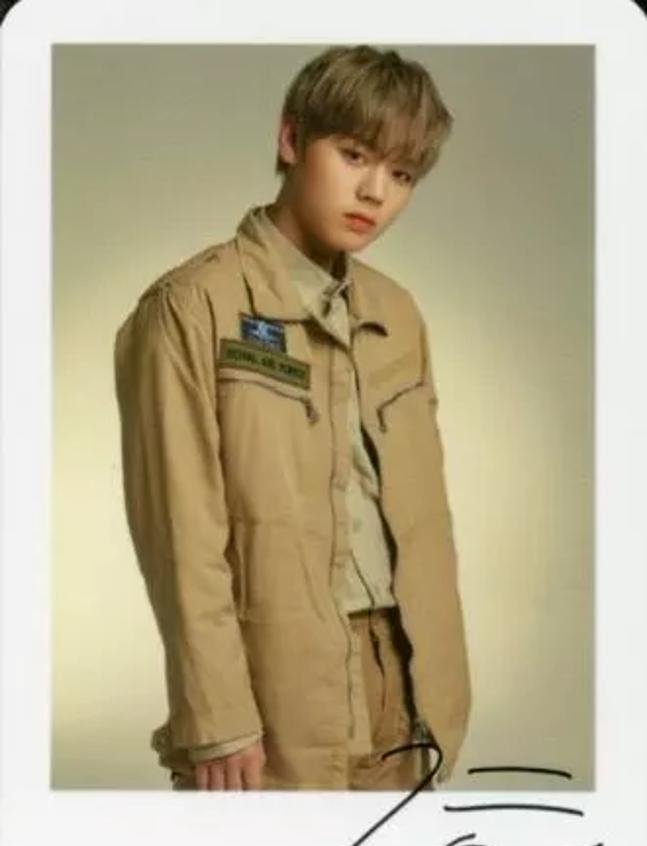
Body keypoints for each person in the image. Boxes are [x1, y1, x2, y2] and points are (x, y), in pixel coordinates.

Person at [113, 44, 471, 792]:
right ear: (290, 140)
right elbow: (180, 532)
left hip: (410, 682)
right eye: (354, 155)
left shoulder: (397, 314)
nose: (374, 192)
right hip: (273, 688)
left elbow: (422, 519)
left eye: (402, 175)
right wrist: (216, 716)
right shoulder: (192, 307)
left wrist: (439, 697)